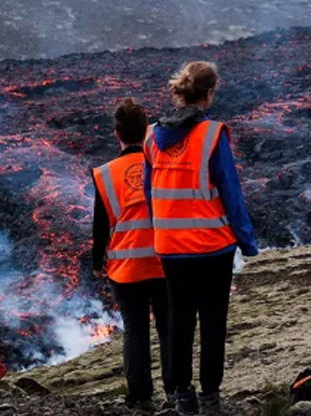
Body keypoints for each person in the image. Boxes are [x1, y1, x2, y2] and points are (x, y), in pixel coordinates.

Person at [143, 61, 259, 416]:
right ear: (210, 92)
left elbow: (150, 192)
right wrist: (247, 241)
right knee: (212, 322)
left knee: (179, 321)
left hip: (171, 248)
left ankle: (183, 397)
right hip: (211, 247)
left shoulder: (151, 136)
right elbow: (230, 190)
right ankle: (210, 398)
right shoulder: (212, 134)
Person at [91, 97, 174, 410]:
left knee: (135, 329)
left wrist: (96, 260)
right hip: (165, 260)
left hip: (126, 267)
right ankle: (175, 389)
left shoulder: (105, 174)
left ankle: (139, 396)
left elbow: (101, 226)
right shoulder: (163, 163)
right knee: (168, 327)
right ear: (146, 130)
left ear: (117, 134)